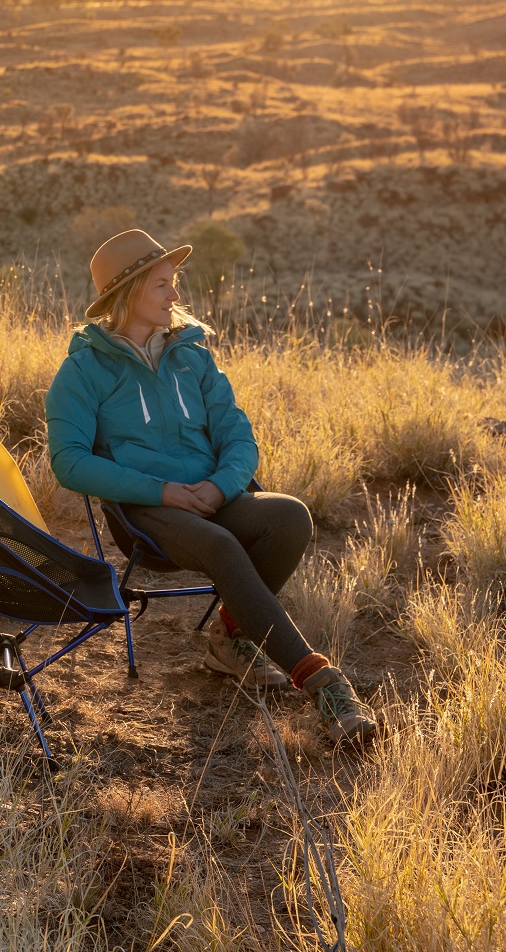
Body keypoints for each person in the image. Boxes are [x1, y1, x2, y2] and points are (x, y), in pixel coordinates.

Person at [43, 229, 376, 746]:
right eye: (161, 285)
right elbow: (69, 462)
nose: (175, 296)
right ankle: (322, 684)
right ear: (128, 293)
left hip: (213, 498)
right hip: (147, 514)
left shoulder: (192, 355)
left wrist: (220, 488)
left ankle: (231, 635)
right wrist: (163, 491)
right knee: (221, 545)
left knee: (291, 516)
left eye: (174, 284)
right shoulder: (84, 370)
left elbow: (237, 434)